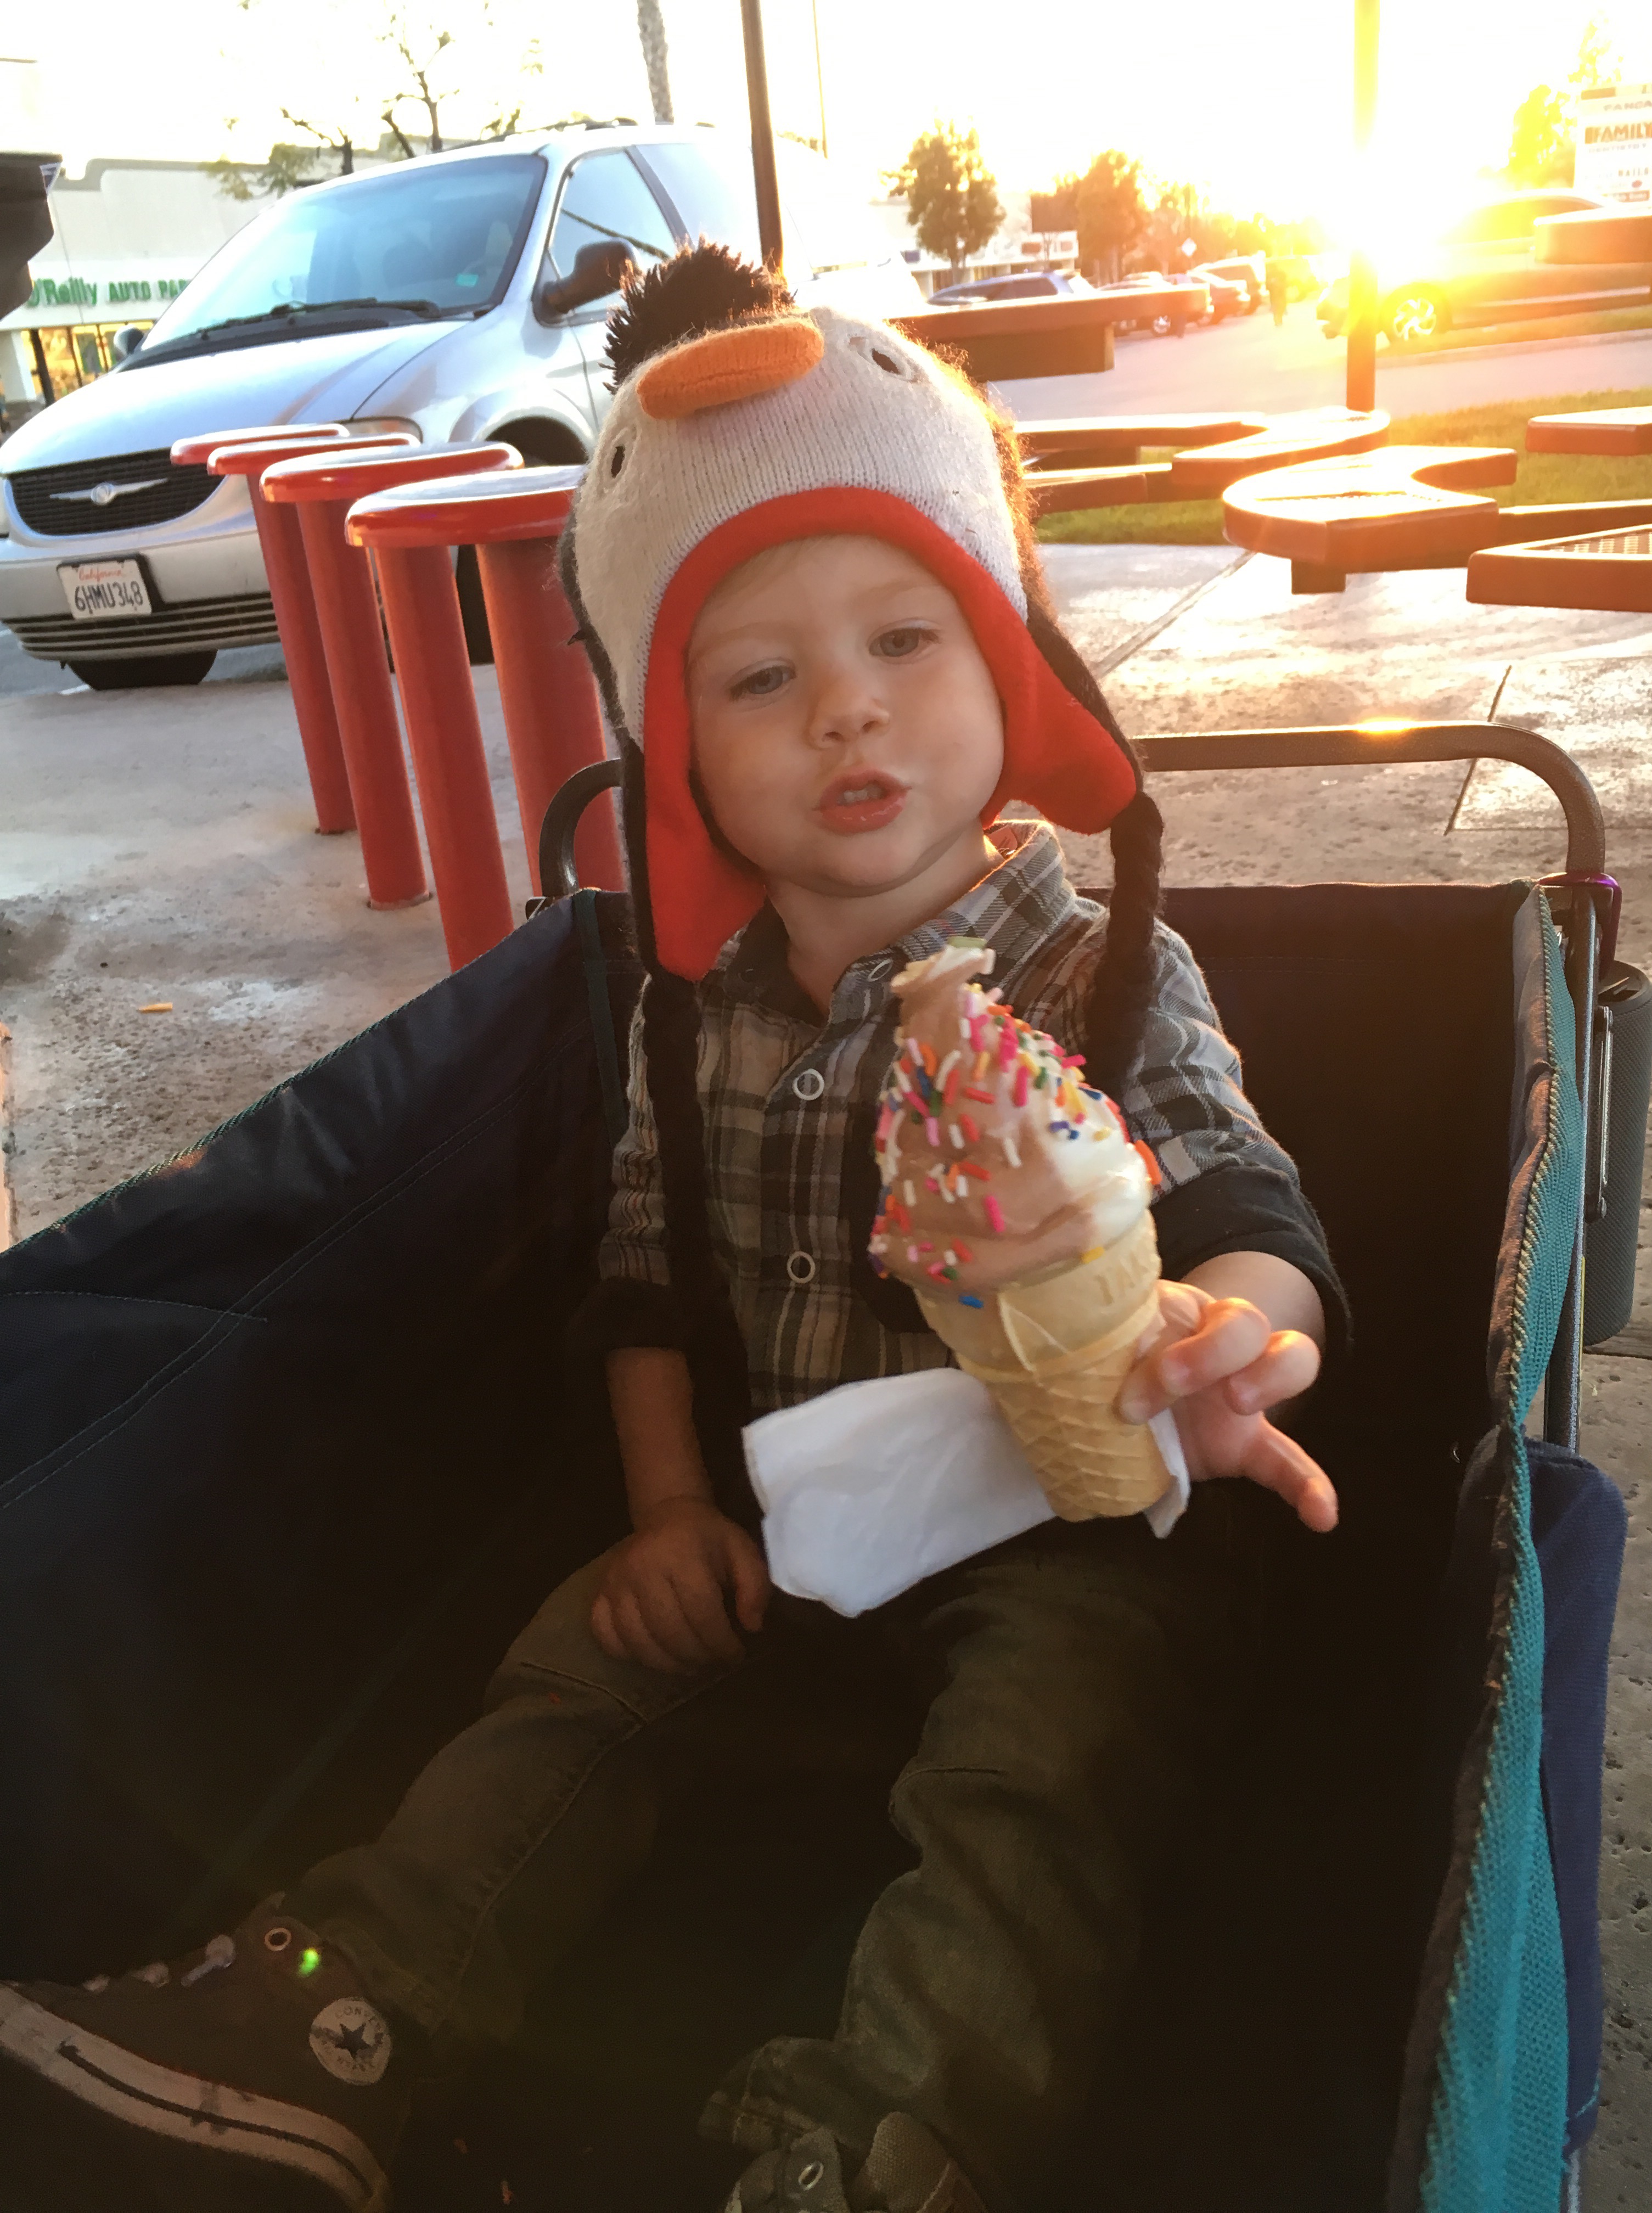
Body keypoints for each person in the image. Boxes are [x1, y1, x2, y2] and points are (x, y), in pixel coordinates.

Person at [0, 247, 1346, 2213]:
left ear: (1015, 667)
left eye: (905, 637)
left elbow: (1241, 1189)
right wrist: (664, 1513)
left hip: (1064, 1531)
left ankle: (881, 2139)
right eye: (758, 677)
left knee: (1043, 1769)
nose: (845, 709)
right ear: (680, 756)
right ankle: (340, 2014)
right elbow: (642, 1283)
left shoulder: (1099, 968)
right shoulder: (687, 1005)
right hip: (782, 1522)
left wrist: (1227, 1332)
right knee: (570, 1677)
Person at [1266, 258, 1289, 327]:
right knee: (1280, 307)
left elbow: (1267, 286)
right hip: (1280, 294)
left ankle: (1277, 320)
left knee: (1276, 308)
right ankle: (1279, 319)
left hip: (1274, 295)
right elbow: (1286, 282)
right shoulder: (1281, 274)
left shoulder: (1270, 275)